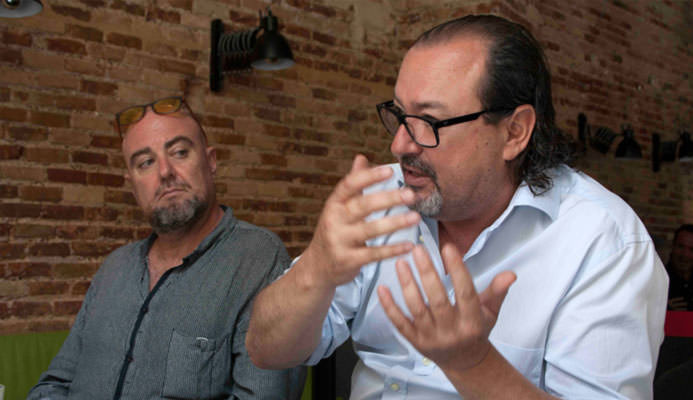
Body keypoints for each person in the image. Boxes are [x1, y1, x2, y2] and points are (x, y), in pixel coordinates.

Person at [246, 14, 668, 399]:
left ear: (514, 132)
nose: (399, 145)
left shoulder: (603, 241)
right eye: (399, 115)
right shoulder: (381, 198)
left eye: (428, 122)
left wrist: (473, 365)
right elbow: (267, 351)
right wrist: (319, 264)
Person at [27, 97, 305, 399]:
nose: (165, 171)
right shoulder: (114, 268)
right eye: (145, 162)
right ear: (133, 186)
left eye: (179, 152)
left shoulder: (258, 258)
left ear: (210, 162)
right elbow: (55, 384)